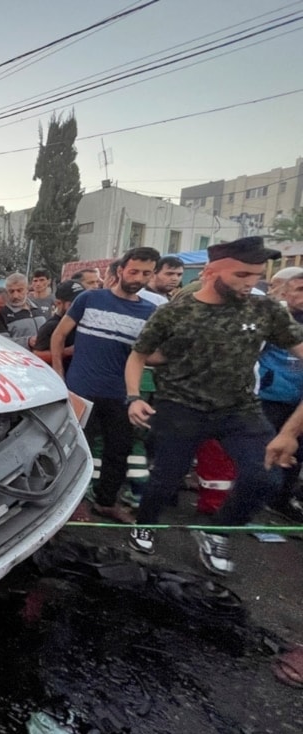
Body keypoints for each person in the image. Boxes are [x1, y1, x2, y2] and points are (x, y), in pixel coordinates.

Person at [126, 237, 303, 575]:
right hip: (180, 406)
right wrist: (134, 397)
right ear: (211, 272)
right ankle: (145, 522)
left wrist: (291, 432)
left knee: (267, 478)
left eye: (257, 275)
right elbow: (139, 354)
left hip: (239, 408)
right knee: (166, 478)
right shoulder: (177, 310)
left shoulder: (264, 310)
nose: (251, 283)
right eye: (242, 275)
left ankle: (216, 530)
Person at [51, 246, 161, 525]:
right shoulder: (89, 298)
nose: (138, 277)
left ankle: (105, 503)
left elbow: (151, 355)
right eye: (134, 270)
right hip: (80, 391)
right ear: (120, 270)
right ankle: (71, 505)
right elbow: (59, 336)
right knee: (75, 450)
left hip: (121, 395)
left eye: (146, 273)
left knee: (118, 451)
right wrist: (58, 375)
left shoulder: (151, 312)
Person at [256, 268, 303, 523]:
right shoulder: (271, 319)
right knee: (262, 450)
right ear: (285, 291)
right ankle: (252, 498)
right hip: (270, 395)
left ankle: (281, 500)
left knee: (295, 454)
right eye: (300, 290)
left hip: (299, 401)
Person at [32, 280, 84, 366]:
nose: (79, 306)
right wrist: (68, 351)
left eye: (81, 301)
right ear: (58, 303)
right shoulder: (51, 326)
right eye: (73, 304)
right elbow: (37, 356)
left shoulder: (82, 322)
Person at [0, 273, 46, 350]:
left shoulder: (37, 307)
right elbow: (1, 342)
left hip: (41, 358)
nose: (15, 296)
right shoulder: (1, 312)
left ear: (27, 289)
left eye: (19, 290)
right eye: (11, 291)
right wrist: (28, 342)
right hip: (17, 359)